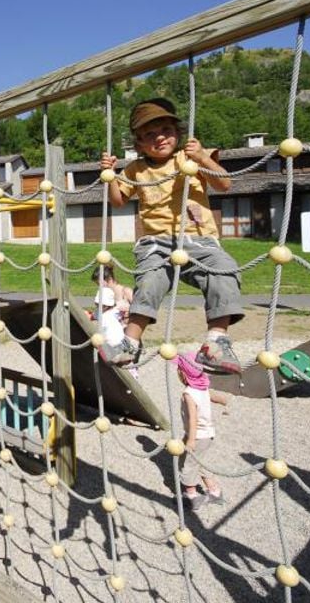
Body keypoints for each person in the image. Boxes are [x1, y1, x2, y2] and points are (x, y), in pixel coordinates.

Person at [98, 97, 244, 373]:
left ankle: (216, 342)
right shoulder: (135, 169)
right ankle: (130, 342)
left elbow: (224, 184)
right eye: (149, 135)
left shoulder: (189, 158)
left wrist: (201, 157)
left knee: (224, 269)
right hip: (156, 242)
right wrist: (109, 174)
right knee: (148, 283)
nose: (160, 137)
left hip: (198, 238)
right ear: (139, 144)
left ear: (178, 133)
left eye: (166, 130)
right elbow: (117, 201)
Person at [175, 349, 225, 509]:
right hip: (208, 434)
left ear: (183, 374)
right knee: (200, 463)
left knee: (188, 464)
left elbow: (193, 418)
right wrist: (225, 401)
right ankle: (215, 492)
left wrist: (190, 440)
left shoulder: (189, 394)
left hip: (197, 436)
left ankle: (191, 496)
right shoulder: (202, 388)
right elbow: (214, 397)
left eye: (178, 370)